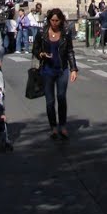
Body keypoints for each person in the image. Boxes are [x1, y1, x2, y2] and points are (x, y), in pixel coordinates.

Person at [32, 8, 78, 139]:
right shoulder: (42, 33)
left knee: (61, 97)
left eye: (57, 20)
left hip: (62, 69)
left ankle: (62, 126)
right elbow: (35, 49)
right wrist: (41, 54)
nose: (54, 23)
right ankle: (53, 127)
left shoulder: (66, 33)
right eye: (52, 20)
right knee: (50, 101)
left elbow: (70, 51)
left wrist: (73, 69)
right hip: (47, 70)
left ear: (61, 20)